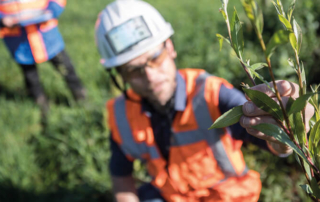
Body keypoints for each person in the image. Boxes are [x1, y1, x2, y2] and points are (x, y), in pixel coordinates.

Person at [95, 0, 314, 201]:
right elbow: (121, 178)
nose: (150, 76)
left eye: (155, 58)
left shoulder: (211, 94)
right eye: (133, 70)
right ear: (121, 76)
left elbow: (273, 142)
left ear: (169, 47)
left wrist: (285, 130)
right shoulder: (121, 115)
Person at [0, 0, 86, 114]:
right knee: (31, 77)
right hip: (20, 42)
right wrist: (2, 19)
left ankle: (80, 96)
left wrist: (51, 11)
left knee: (65, 68)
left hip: (47, 37)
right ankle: (40, 104)